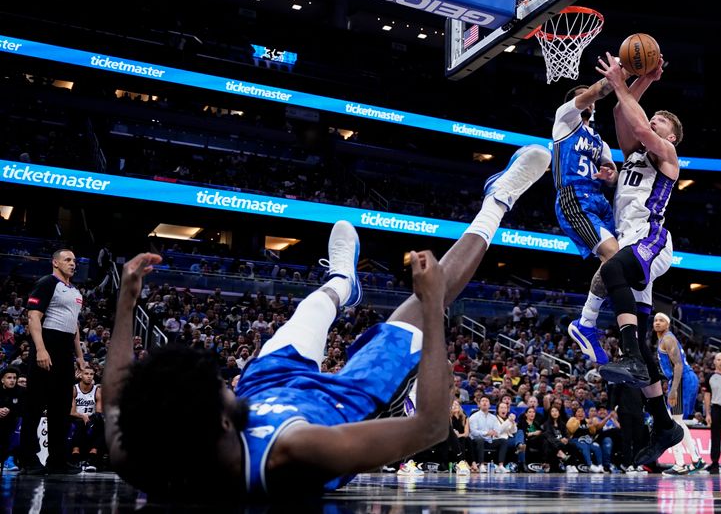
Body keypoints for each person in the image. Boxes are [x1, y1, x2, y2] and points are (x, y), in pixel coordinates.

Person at [103, 145, 551, 501]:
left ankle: (341, 282)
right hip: (346, 400)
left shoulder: (143, 452)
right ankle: (499, 199)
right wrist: (433, 310)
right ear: (220, 422)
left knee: (313, 308)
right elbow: (431, 427)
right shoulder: (295, 453)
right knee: (426, 299)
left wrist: (126, 304)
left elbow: (118, 402)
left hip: (271, 385)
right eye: (221, 387)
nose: (226, 382)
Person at [593, 53, 685, 465]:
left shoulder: (665, 152)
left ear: (672, 135)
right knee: (646, 344)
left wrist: (622, 79)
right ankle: (664, 423)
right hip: (631, 241)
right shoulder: (633, 152)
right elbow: (620, 111)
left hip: (651, 240)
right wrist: (640, 80)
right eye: (655, 117)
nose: (655, 120)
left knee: (611, 269)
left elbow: (642, 125)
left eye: (663, 119)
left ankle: (627, 355)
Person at [550, 74, 620, 365]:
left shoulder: (600, 143)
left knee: (623, 261)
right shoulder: (564, 119)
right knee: (612, 255)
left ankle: (597, 323)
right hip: (574, 197)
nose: (589, 97)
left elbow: (612, 173)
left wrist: (609, 175)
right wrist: (620, 73)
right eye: (584, 95)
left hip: (600, 201)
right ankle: (586, 323)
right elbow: (596, 91)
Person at [19, 249, 87, 475]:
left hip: (65, 351)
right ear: (55, 262)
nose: (72, 263)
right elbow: (33, 316)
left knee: (61, 408)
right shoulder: (47, 283)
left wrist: (80, 357)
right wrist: (40, 349)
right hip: (47, 346)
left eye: (74, 260)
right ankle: (27, 459)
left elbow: (74, 326)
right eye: (67, 259)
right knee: (35, 405)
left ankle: (57, 460)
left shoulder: (75, 291)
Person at [654, 313, 705, 475]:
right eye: (655, 320)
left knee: (672, 423)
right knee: (676, 422)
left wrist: (674, 389)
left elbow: (678, 365)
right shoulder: (665, 339)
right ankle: (695, 460)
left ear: (667, 324)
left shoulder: (668, 339)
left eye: (661, 320)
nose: (657, 323)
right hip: (682, 379)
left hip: (682, 380)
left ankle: (682, 463)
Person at [70, 366, 104, 472]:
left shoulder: (97, 390)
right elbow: (72, 412)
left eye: (91, 374)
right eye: (86, 374)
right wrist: (83, 416)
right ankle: (76, 456)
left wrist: (89, 418)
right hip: (76, 417)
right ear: (80, 375)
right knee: (80, 423)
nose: (89, 377)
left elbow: (99, 412)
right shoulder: (74, 389)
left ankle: (92, 457)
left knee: (103, 424)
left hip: (92, 419)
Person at [0, 366, 23, 472]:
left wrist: (10, 411)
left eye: (14, 378)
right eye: (9, 378)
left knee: (19, 421)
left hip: (12, 422)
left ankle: (9, 459)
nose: (12, 380)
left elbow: (24, 408)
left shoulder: (21, 391)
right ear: (2, 380)